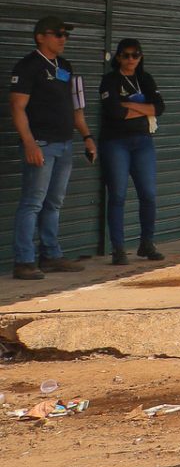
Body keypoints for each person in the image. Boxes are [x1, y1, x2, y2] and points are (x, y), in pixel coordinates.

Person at [9, 16, 96, 280]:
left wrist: (87, 136)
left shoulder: (65, 66)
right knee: (33, 202)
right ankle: (24, 261)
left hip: (65, 144)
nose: (63, 39)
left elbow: (76, 108)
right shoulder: (28, 66)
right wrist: (29, 142)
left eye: (65, 35)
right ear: (40, 37)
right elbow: (17, 108)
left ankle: (50, 255)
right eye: (58, 34)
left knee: (54, 202)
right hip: (41, 144)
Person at [98, 37, 165, 265]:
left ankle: (147, 243)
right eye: (126, 55)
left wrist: (129, 105)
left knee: (148, 194)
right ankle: (118, 248)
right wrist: (145, 109)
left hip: (143, 141)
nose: (130, 59)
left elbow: (159, 107)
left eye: (135, 55)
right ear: (118, 57)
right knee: (117, 195)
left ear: (140, 57)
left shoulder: (145, 79)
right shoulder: (110, 80)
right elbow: (114, 112)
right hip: (115, 142)